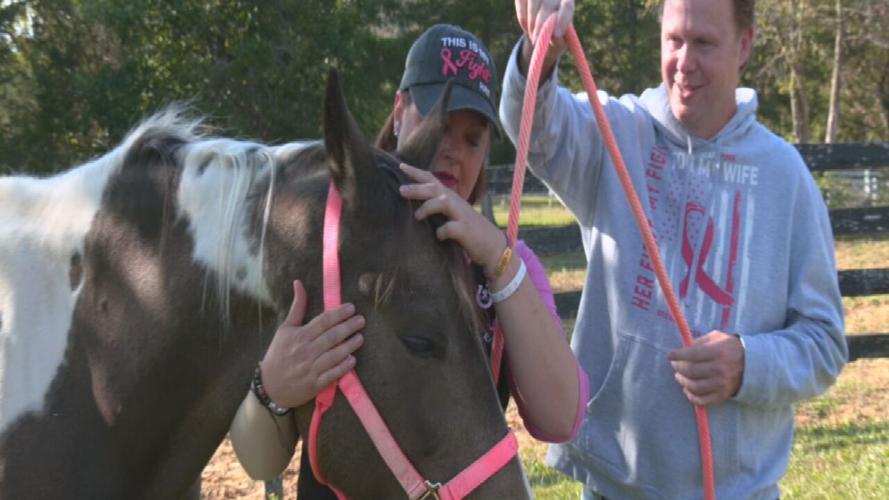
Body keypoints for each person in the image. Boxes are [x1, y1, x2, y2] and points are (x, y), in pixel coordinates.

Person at [500, 0, 848, 498]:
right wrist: (544, 50)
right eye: (674, 40)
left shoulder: (784, 177)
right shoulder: (617, 133)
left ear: (744, 45)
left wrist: (748, 362)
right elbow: (531, 125)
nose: (684, 61)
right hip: (614, 486)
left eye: (704, 43)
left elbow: (825, 343)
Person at [228, 23, 590, 497]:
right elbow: (259, 459)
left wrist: (499, 260)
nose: (450, 151)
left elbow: (561, 416)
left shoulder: (505, 265)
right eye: (436, 125)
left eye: (472, 139)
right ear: (399, 113)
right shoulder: (326, 240)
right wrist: (271, 389)